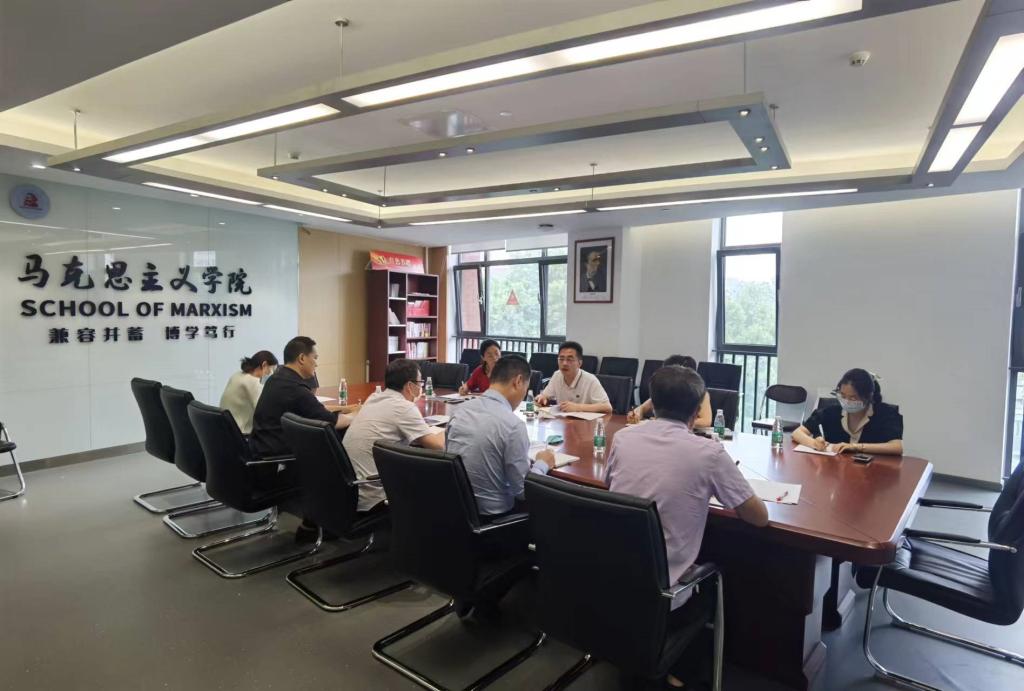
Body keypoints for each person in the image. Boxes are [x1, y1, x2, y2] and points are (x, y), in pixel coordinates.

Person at [606, 365, 768, 688]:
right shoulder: (708, 452)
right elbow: (758, 517)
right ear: (697, 411)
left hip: (613, 574)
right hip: (663, 591)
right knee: (715, 576)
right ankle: (681, 668)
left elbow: (610, 486)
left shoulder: (623, 438)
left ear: (652, 402)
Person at [446, 355, 555, 518]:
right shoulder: (513, 425)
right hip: (494, 521)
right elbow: (523, 492)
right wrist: (542, 463)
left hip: (455, 513)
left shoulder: (459, 411)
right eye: (526, 387)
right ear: (518, 381)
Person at [343, 359, 445, 512]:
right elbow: (438, 445)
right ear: (410, 386)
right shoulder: (403, 407)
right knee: (437, 478)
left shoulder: (374, 398)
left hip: (349, 490)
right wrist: (452, 426)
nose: (421, 387)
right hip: (374, 495)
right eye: (420, 383)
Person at [250, 336, 359, 459]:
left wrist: (347, 409)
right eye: (315, 358)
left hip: (262, 446)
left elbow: (314, 409)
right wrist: (357, 414)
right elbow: (332, 422)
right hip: (279, 455)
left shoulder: (277, 379)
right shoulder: (295, 388)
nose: (316, 364)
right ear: (302, 358)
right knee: (340, 434)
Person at [792, 368, 903, 455]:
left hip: (872, 471)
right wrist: (814, 443)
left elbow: (896, 447)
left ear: (868, 396)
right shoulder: (830, 412)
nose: (847, 401)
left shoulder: (887, 414)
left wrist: (855, 447)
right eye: (843, 396)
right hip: (835, 471)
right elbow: (797, 433)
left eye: (853, 398)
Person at [627, 355, 712, 427]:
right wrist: (636, 414)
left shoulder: (700, 393)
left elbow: (706, 421)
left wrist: (669, 423)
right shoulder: (666, 390)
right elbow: (642, 408)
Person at [534, 341, 612, 414]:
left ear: (579, 363)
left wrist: (578, 407)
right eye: (561, 359)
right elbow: (545, 395)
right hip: (563, 421)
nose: (564, 363)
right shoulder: (557, 375)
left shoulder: (590, 380)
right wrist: (542, 398)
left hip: (585, 423)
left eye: (569, 359)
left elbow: (607, 407)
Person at [219, 350, 278, 434]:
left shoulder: (237, 375)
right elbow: (264, 413)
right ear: (264, 365)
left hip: (225, 430)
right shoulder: (253, 382)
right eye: (272, 369)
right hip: (241, 434)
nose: (272, 374)